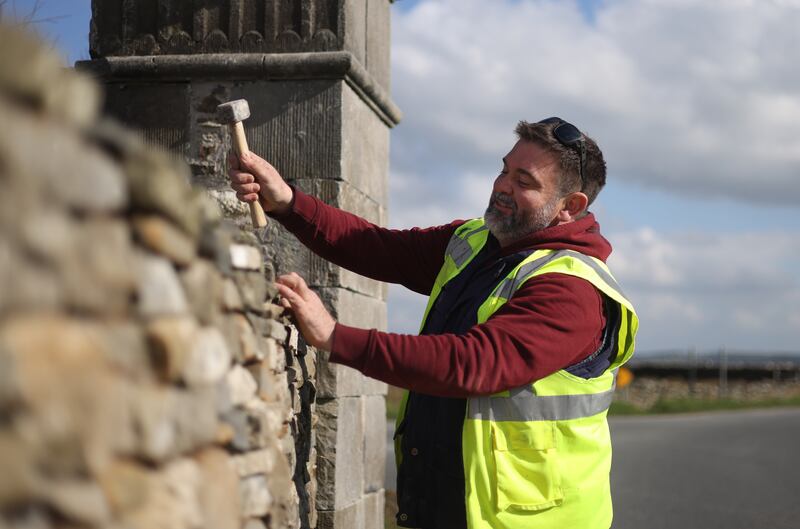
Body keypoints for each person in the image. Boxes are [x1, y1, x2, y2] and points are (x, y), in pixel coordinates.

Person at [228, 118, 638, 529]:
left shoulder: (572, 289)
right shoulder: (476, 240)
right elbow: (380, 248)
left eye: (524, 181)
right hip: (444, 507)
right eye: (503, 170)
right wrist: (287, 202)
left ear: (571, 206)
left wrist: (336, 337)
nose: (502, 186)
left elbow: (475, 363)